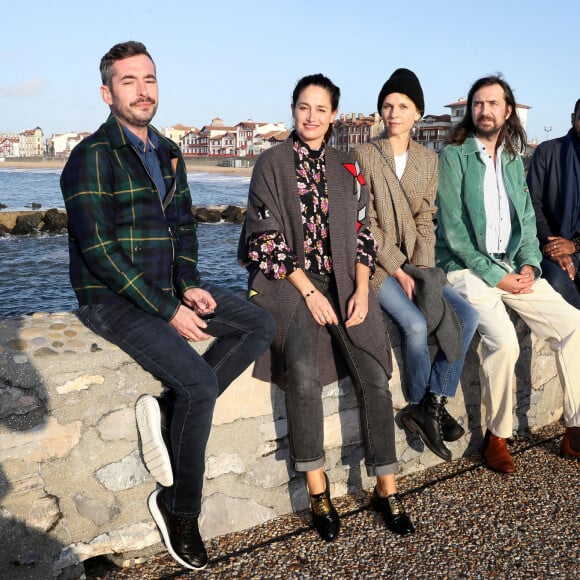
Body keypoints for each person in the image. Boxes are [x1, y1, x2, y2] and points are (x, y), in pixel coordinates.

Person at [60, 41, 275, 570]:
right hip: (110, 300)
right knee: (199, 383)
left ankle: (169, 412)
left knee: (258, 323)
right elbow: (100, 252)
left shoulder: (168, 152)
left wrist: (188, 284)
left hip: (161, 289)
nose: (142, 90)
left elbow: (183, 229)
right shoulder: (90, 157)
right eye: (128, 81)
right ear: (107, 92)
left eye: (149, 79)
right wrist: (167, 308)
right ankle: (179, 509)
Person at [238, 74, 414, 542]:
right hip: (289, 283)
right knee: (300, 369)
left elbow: (362, 234)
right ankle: (319, 489)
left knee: (374, 372)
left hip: (344, 279)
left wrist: (361, 290)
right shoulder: (272, 163)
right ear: (293, 110)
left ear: (334, 115)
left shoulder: (348, 165)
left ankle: (386, 487)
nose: (312, 117)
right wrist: (310, 292)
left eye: (321, 109)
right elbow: (266, 240)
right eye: (303, 107)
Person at [436, 74, 580, 472]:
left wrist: (531, 264)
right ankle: (496, 436)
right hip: (466, 268)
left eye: (493, 103)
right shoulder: (454, 156)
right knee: (505, 342)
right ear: (471, 110)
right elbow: (454, 232)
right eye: (478, 104)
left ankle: (575, 427)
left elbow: (528, 219)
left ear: (507, 110)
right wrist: (496, 277)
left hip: (511, 265)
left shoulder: (515, 158)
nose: (484, 110)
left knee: (572, 323)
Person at [353, 69, 479, 462]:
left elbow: (427, 217)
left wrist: (422, 271)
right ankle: (419, 401)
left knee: (467, 315)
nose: (394, 112)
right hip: (376, 264)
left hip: (417, 263)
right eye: (388, 105)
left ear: (417, 114)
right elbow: (364, 221)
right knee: (415, 324)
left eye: (403, 106)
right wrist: (398, 268)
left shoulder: (428, 161)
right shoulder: (365, 155)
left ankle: (433, 403)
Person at [527, 99, 580, 309]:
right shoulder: (548, 151)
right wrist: (554, 245)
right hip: (547, 245)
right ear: (573, 118)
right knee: (558, 281)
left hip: (576, 245)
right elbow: (532, 203)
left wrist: (574, 245)